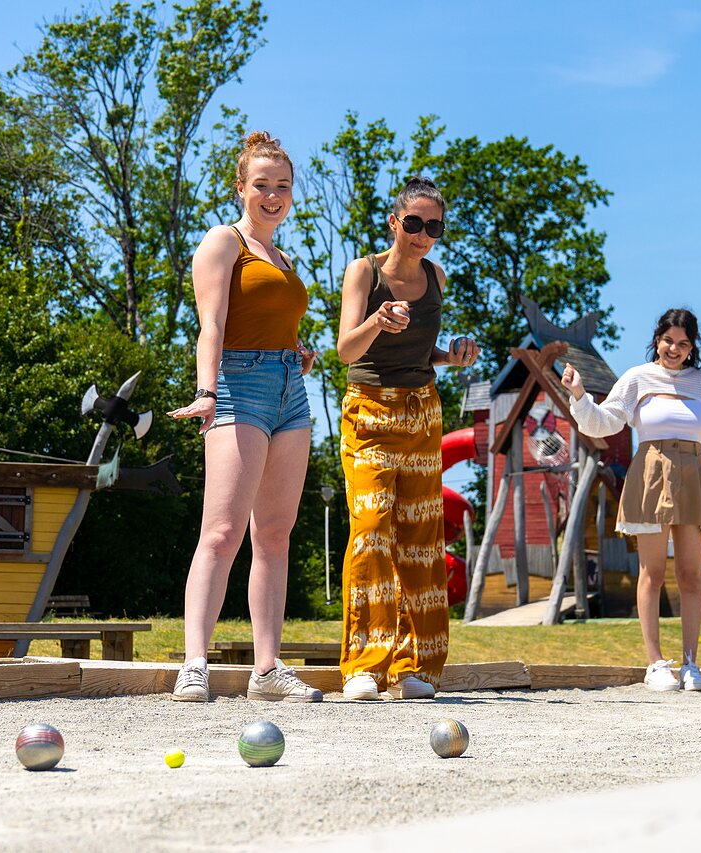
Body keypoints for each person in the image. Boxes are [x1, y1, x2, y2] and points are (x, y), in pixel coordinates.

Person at [167, 132, 322, 703]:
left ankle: (267, 669)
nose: (273, 195)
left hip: (289, 392)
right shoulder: (223, 241)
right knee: (222, 532)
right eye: (262, 185)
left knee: (275, 535)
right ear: (241, 188)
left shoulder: (283, 258)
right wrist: (206, 391)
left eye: (283, 185)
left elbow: (271, 319)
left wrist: (297, 350)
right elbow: (211, 325)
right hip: (238, 386)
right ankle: (194, 664)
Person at [561, 308, 701, 692]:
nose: (674, 349)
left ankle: (691, 664)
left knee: (690, 574)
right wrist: (579, 394)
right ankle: (655, 664)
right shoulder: (637, 378)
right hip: (650, 474)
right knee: (652, 573)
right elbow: (603, 423)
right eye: (668, 340)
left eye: (683, 344)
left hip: (693, 473)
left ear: (692, 347)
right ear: (657, 340)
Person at [335, 176, 478, 701]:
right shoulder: (364, 271)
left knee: (420, 539)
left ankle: (414, 667)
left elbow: (422, 352)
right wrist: (377, 320)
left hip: (421, 413)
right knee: (371, 530)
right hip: (369, 413)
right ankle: (364, 667)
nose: (421, 235)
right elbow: (346, 351)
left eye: (433, 227)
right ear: (394, 222)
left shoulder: (437, 277)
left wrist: (451, 356)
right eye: (413, 223)